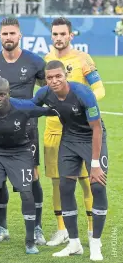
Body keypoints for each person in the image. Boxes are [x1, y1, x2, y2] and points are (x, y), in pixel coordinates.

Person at [0, 16, 46, 245]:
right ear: (0, 36)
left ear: (20, 35)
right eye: (5, 34)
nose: (9, 37)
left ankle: (37, 227)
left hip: (28, 133)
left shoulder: (35, 62)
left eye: (12, 33)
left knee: (33, 178)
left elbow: (47, 90)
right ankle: (2, 227)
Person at [32, 60, 108, 261]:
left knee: (97, 187)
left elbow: (97, 128)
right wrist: (4, 103)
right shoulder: (44, 94)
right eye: (50, 78)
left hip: (92, 138)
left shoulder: (83, 93)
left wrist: (94, 164)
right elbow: (28, 109)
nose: (54, 81)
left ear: (66, 75)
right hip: (69, 140)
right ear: (45, 80)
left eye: (58, 76)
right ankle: (74, 243)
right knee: (65, 187)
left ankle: (95, 243)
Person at [0, 77, 56, 254]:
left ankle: (29, 242)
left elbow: (48, 111)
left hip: (21, 152)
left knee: (27, 193)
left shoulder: (22, 106)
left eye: (1, 95)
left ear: (8, 94)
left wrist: (71, 109)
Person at [44, 17, 105, 246]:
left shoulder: (83, 59)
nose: (59, 38)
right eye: (55, 34)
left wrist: (84, 103)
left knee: (86, 180)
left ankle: (90, 229)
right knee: (58, 182)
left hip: (79, 131)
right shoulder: (47, 60)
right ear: (52, 36)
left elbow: (99, 88)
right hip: (53, 131)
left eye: (63, 34)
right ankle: (62, 230)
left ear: (71, 35)